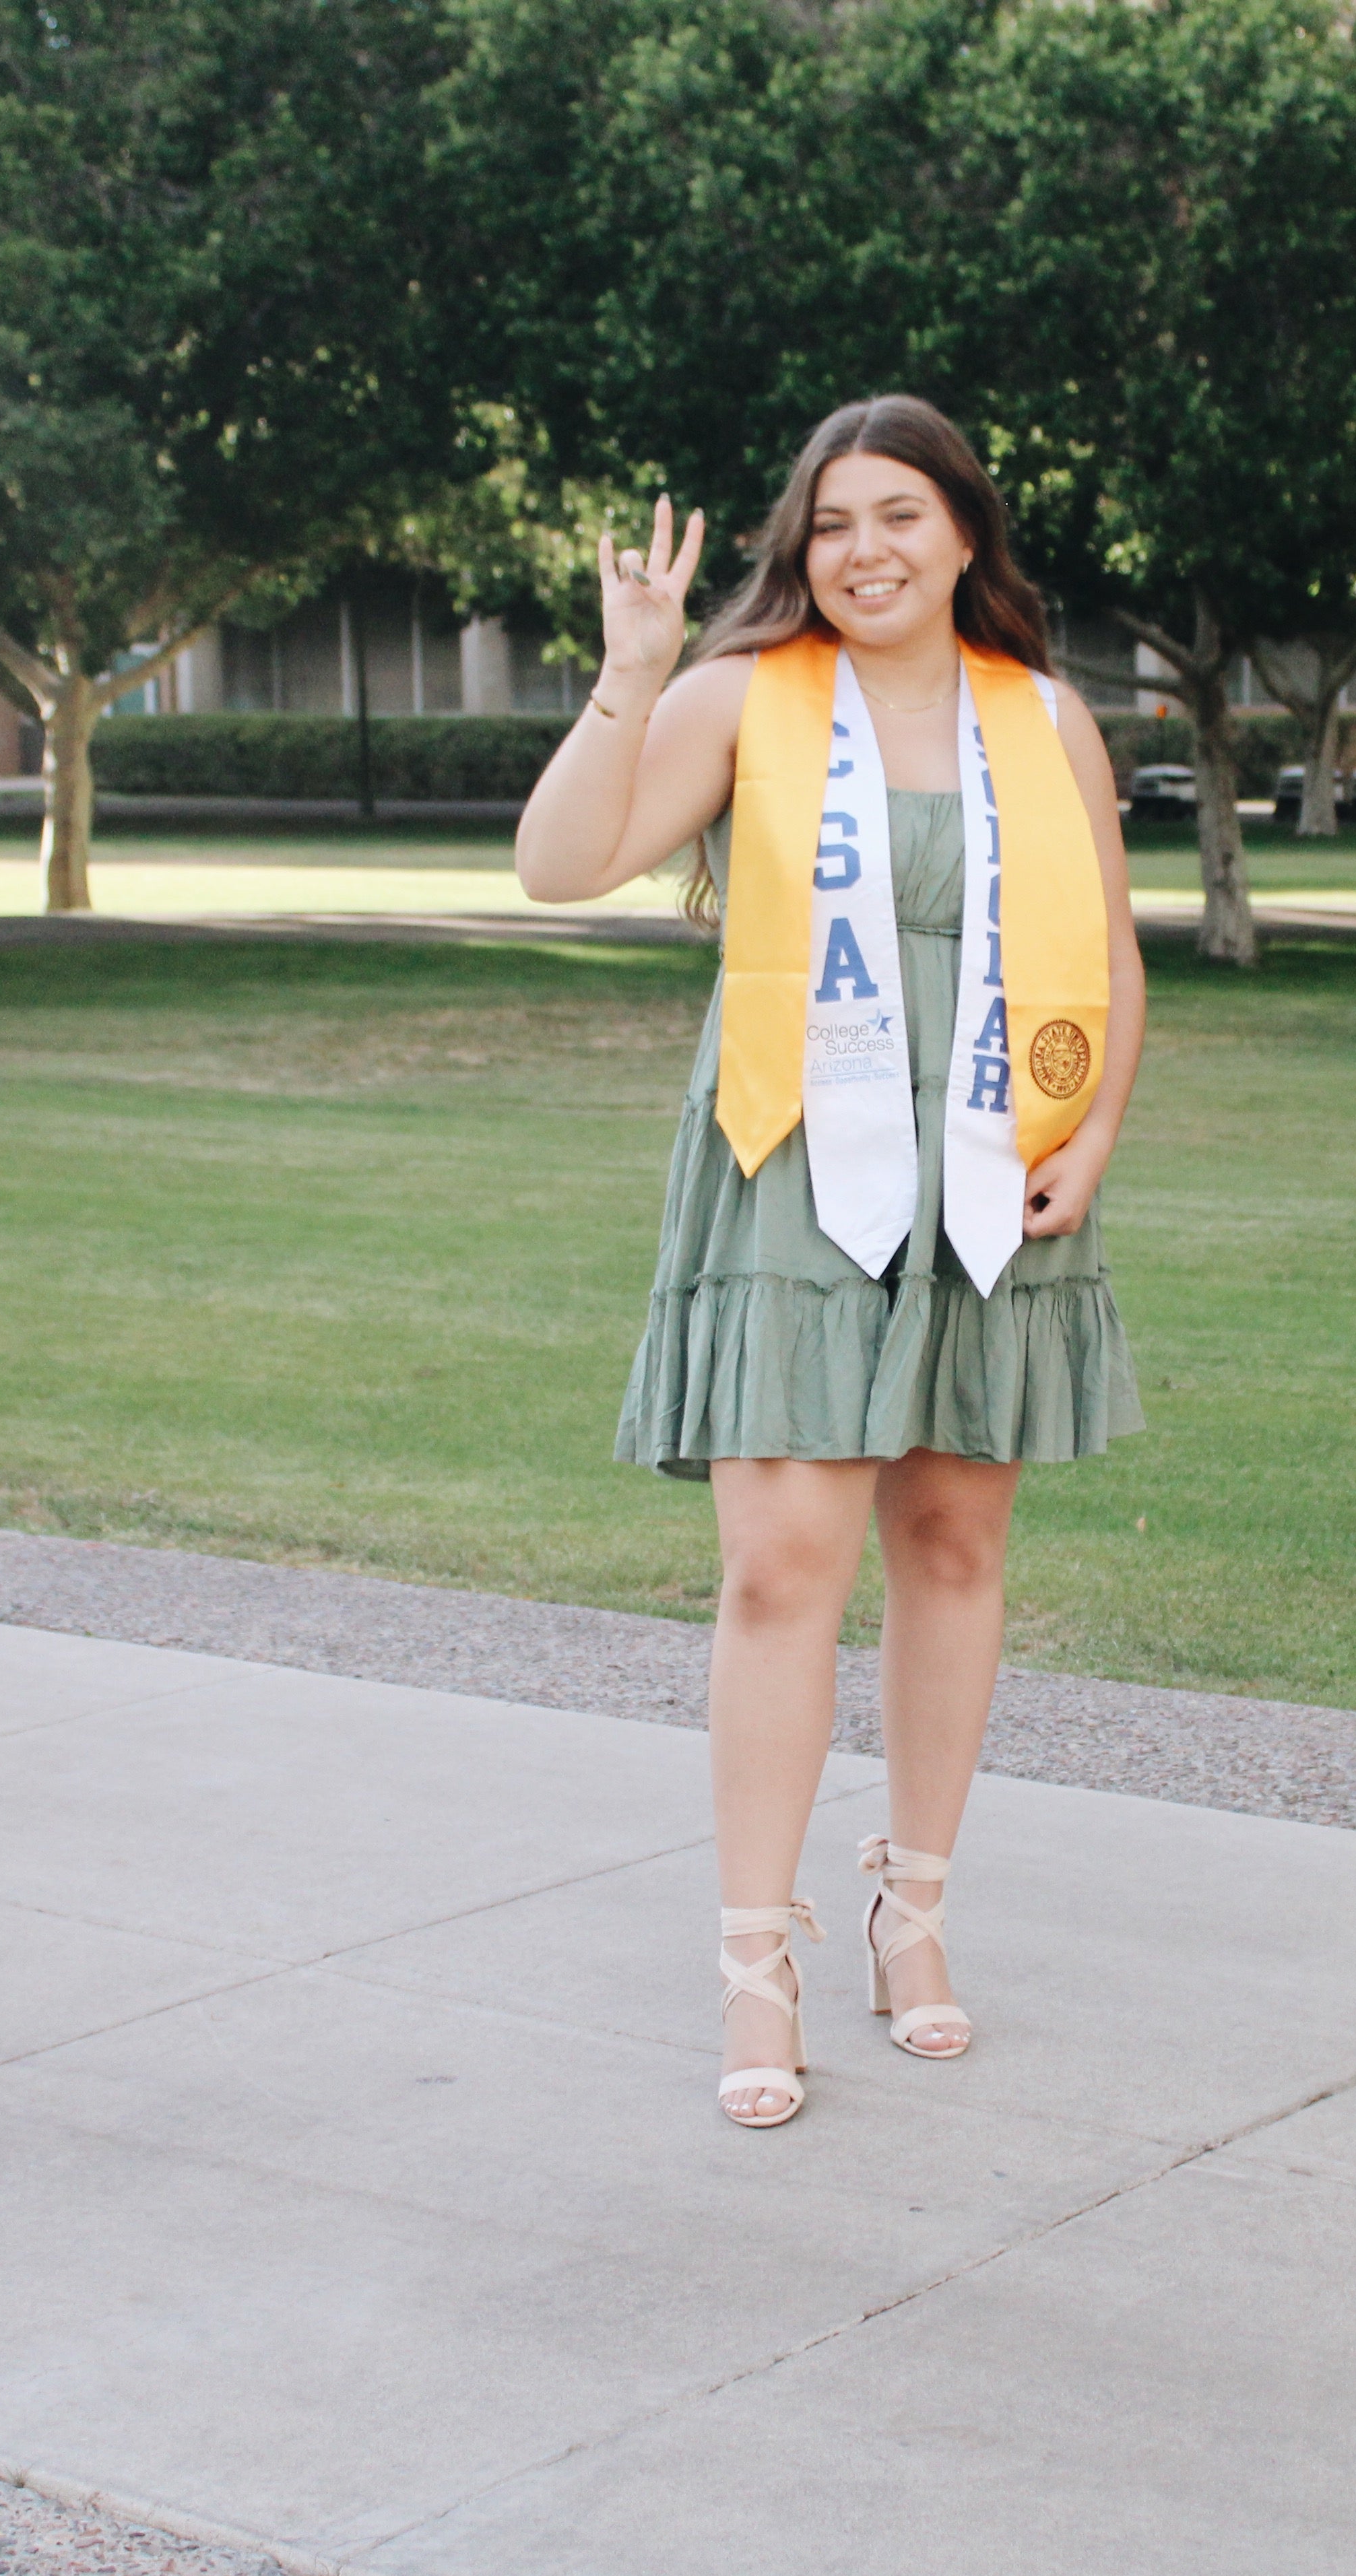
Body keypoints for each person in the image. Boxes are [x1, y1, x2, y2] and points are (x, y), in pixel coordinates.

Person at [514, 397, 1147, 2129]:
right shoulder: (746, 699)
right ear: (800, 547)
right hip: (793, 1167)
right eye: (831, 523)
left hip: (993, 1172)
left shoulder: (1046, 720)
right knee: (785, 1564)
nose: (863, 550)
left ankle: (914, 1914)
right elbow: (559, 866)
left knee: (954, 1539)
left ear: (963, 534)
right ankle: (753, 1956)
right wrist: (632, 670)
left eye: (900, 516)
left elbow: (1106, 943)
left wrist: (1092, 1138)